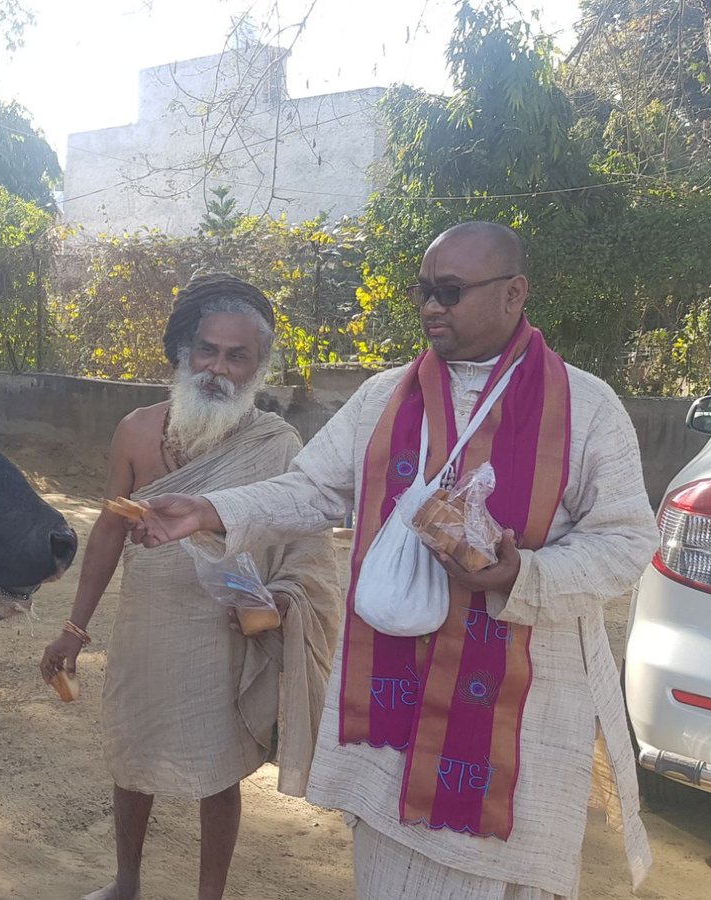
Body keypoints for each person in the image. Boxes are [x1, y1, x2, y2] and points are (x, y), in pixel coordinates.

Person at [132, 222, 658, 899]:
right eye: (424, 291)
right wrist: (211, 510)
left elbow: (625, 541)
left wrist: (522, 576)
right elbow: (312, 489)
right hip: (395, 714)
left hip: (520, 716)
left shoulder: (586, 407)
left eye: (451, 291)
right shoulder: (383, 398)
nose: (432, 306)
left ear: (513, 293)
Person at [40, 273, 341, 900]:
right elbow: (108, 531)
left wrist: (278, 601)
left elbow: (303, 541)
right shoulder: (135, 431)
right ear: (184, 352)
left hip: (223, 629)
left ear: (258, 368)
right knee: (132, 754)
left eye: (237, 356)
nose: (217, 368)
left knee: (218, 772)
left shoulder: (277, 444)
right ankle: (126, 882)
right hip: (147, 621)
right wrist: (74, 627)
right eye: (207, 350)